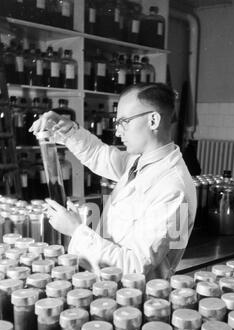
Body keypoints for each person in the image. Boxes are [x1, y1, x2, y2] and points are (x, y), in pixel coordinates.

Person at [30, 83, 197, 280]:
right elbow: (99, 154)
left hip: (135, 299)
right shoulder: (140, 161)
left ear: (153, 120)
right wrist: (66, 130)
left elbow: (134, 268)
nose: (117, 132)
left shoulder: (173, 189)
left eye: (124, 122)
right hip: (107, 283)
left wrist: (75, 230)